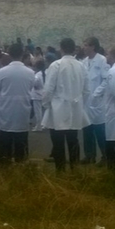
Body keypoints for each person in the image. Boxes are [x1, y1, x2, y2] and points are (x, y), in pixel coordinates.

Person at [42, 38, 90, 172]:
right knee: (73, 140)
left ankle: (60, 170)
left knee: (58, 142)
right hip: (75, 108)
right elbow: (87, 90)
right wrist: (79, 103)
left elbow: (48, 89)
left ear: (61, 49)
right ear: (74, 48)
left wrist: (46, 105)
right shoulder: (81, 66)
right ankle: (75, 169)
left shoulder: (56, 65)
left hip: (58, 108)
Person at [0, 43, 35, 167]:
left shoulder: (1, 72)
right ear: (22, 53)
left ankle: (3, 169)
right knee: (21, 141)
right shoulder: (30, 72)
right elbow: (30, 89)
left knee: (5, 142)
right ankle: (21, 168)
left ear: (9, 54)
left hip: (5, 111)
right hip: (23, 110)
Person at [81, 37, 109, 165]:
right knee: (87, 130)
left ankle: (105, 156)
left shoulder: (102, 60)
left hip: (97, 102)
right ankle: (89, 155)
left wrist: (96, 94)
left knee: (99, 131)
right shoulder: (84, 62)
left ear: (93, 47)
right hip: (86, 102)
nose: (84, 47)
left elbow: (106, 80)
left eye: (86, 45)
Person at [31, 60, 45, 132]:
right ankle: (41, 124)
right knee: (41, 111)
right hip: (41, 93)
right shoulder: (42, 73)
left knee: (38, 112)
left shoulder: (38, 75)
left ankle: (39, 126)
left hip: (37, 94)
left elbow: (35, 84)